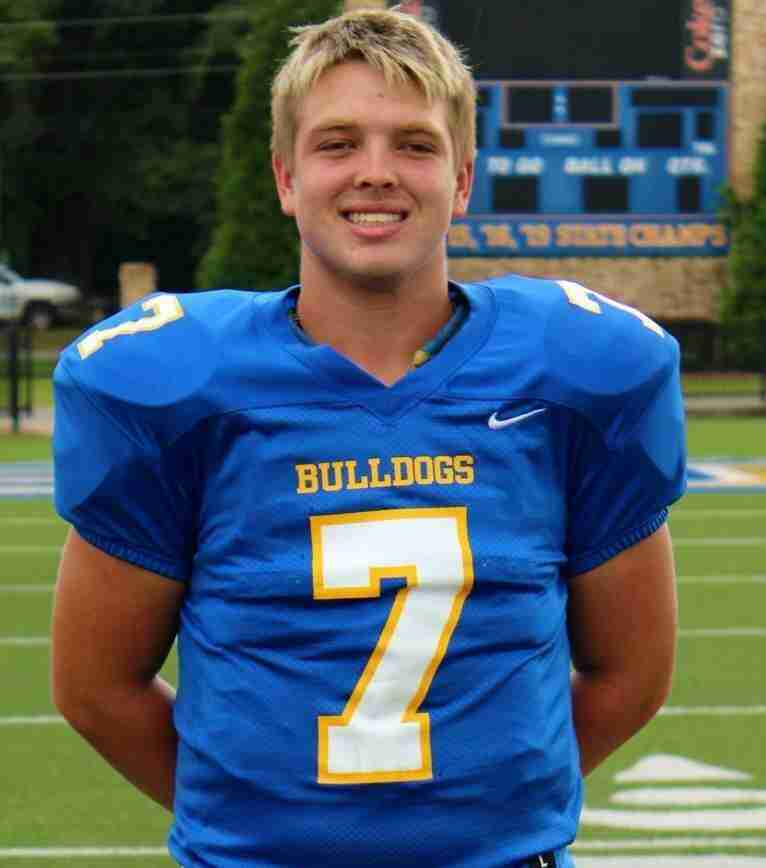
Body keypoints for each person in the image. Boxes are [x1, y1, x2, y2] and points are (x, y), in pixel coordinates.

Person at [50, 8, 686, 868]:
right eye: (338, 143)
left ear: (462, 179)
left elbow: (631, 675)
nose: (376, 172)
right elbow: (96, 688)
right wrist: (261, 823)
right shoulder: (182, 383)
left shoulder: (571, 371)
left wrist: (492, 820)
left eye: (415, 145)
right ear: (286, 177)